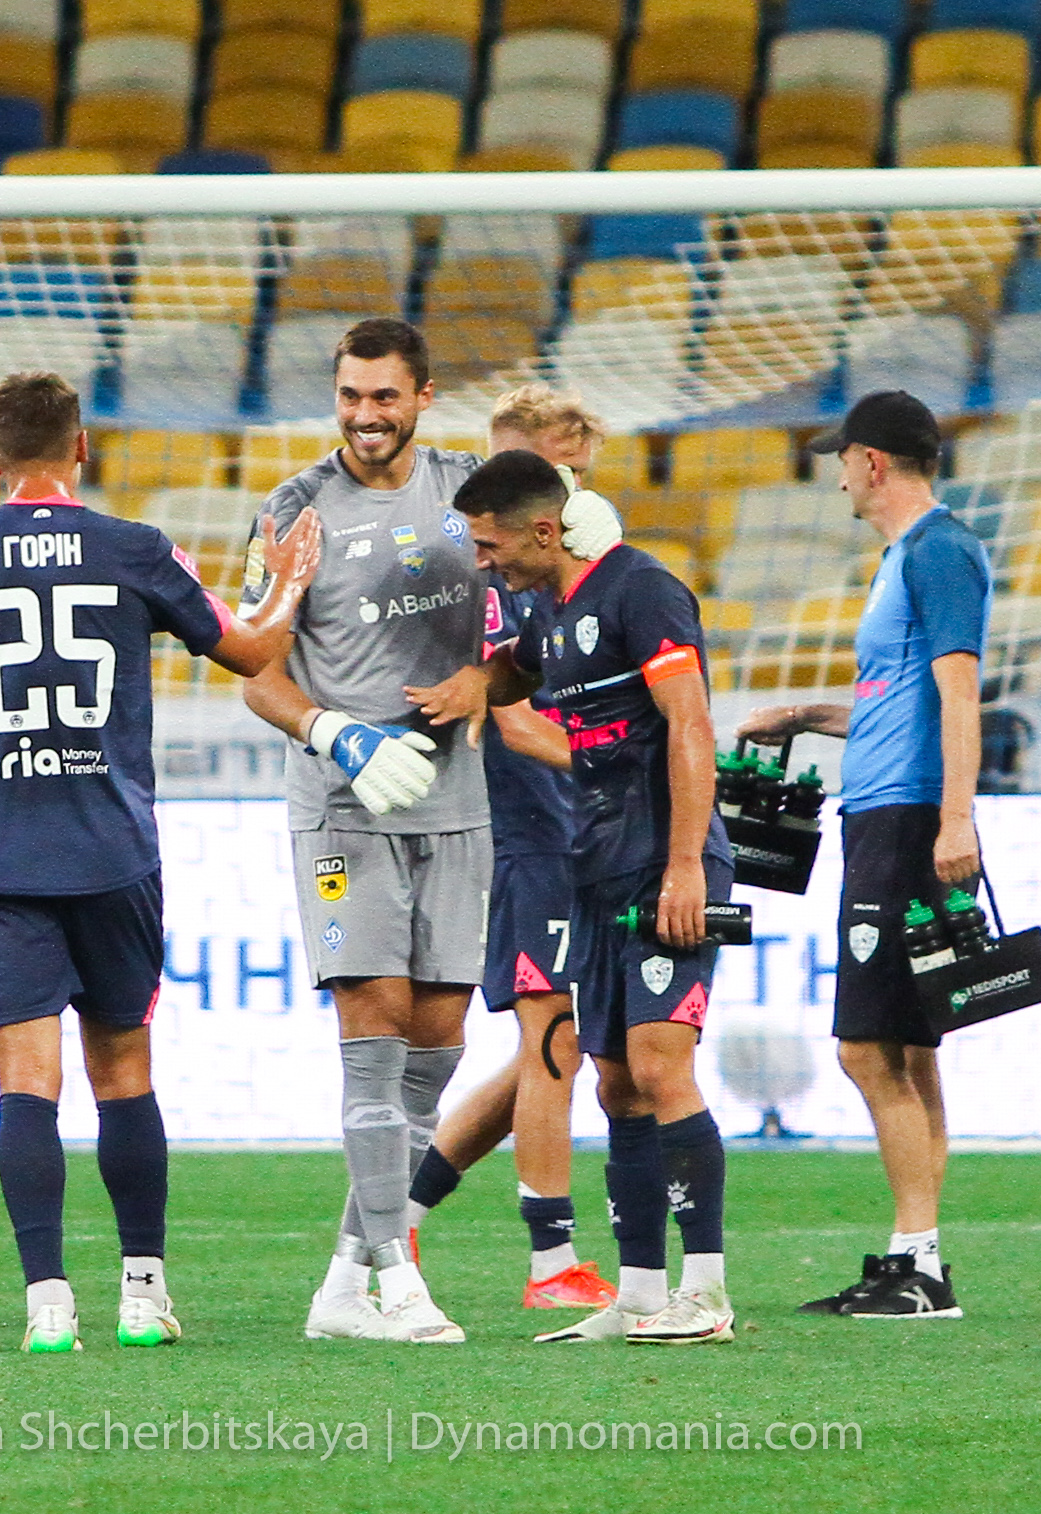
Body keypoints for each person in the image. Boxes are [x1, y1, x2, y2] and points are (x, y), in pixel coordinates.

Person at [0, 371, 319, 1353]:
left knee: (25, 1081)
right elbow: (252, 653)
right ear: (82, 446)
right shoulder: (136, 547)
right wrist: (288, 580)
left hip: (2, 851)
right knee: (123, 1071)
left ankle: (47, 1303)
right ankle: (143, 1294)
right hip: (113, 849)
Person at [423, 449, 738, 1346]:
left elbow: (689, 723)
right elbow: (516, 672)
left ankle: (706, 1293)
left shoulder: (642, 590)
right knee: (615, 1082)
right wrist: (476, 683)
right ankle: (638, 1294)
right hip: (594, 869)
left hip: (663, 864)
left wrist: (685, 864)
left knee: (661, 1063)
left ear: (542, 530)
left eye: (490, 546)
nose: (483, 562)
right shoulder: (554, 611)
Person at [237, 318, 485, 1343]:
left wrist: (486, 680)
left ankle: (343, 1282)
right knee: (374, 1029)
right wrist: (332, 732)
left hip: (458, 801)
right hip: (346, 806)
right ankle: (397, 1280)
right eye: (350, 395)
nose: (365, 415)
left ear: (423, 397)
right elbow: (255, 668)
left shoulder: (470, 493)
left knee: (437, 1045)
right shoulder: (294, 510)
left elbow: (535, 617)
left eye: (384, 396)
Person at [737, 390, 990, 1320]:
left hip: (906, 821)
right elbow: (902, 700)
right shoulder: (906, 557)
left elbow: (960, 696)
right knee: (909, 1049)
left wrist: (953, 821)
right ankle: (916, 1259)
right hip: (886, 813)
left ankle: (917, 1264)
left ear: (872, 463)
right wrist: (809, 715)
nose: (837, 473)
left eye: (842, 457)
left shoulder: (937, 552)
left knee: (865, 1048)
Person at [401, 384, 622, 1310]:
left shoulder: (576, 570)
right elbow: (511, 714)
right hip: (531, 831)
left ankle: (394, 1216)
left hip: (590, 829)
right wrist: (623, 758)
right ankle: (551, 1264)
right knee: (553, 1037)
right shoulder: (490, 578)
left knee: (556, 1043)